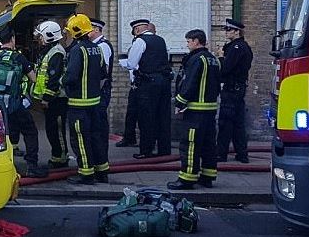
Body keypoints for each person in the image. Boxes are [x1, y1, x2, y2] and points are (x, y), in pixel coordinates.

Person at [0, 27, 47, 178]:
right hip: (15, 104)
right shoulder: (19, 58)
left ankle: (6, 166)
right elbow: (34, 79)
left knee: (5, 133)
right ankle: (31, 165)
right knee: (30, 132)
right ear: (12, 39)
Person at [168, 29, 221, 190]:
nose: (187, 44)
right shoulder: (213, 59)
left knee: (190, 144)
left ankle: (187, 178)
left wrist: (179, 102)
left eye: (189, 41)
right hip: (210, 109)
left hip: (196, 110)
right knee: (208, 145)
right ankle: (207, 176)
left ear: (197, 41)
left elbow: (189, 83)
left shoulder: (198, 60)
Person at [62, 14, 109, 185]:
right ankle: (102, 171)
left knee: (80, 139)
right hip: (95, 103)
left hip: (78, 105)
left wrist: (62, 80)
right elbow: (104, 73)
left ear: (75, 31)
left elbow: (71, 77)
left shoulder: (77, 50)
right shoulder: (98, 49)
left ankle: (86, 174)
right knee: (97, 137)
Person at [122, 19, 172, 159]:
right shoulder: (161, 40)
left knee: (146, 117)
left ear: (137, 29)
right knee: (163, 116)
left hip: (147, 83)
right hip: (163, 82)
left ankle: (146, 150)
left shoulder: (140, 41)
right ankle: (164, 149)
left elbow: (132, 64)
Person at [32, 20, 70, 170]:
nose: (39, 39)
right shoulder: (50, 51)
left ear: (49, 36)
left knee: (57, 130)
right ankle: (56, 156)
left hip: (57, 100)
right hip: (52, 99)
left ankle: (61, 159)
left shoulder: (57, 53)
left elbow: (54, 79)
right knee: (51, 129)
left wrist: (47, 98)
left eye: (41, 36)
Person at [217, 18, 253, 163]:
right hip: (239, 88)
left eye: (229, 30)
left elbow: (225, 69)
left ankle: (221, 153)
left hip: (231, 89)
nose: (226, 33)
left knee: (226, 123)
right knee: (238, 123)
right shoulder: (242, 47)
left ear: (237, 31)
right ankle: (242, 154)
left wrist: (220, 57)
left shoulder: (237, 48)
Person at [89, 18, 114, 170]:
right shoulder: (95, 45)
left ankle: (101, 160)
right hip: (98, 91)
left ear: (96, 30)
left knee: (99, 126)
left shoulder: (102, 46)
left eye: (89, 28)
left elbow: (102, 73)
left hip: (101, 92)